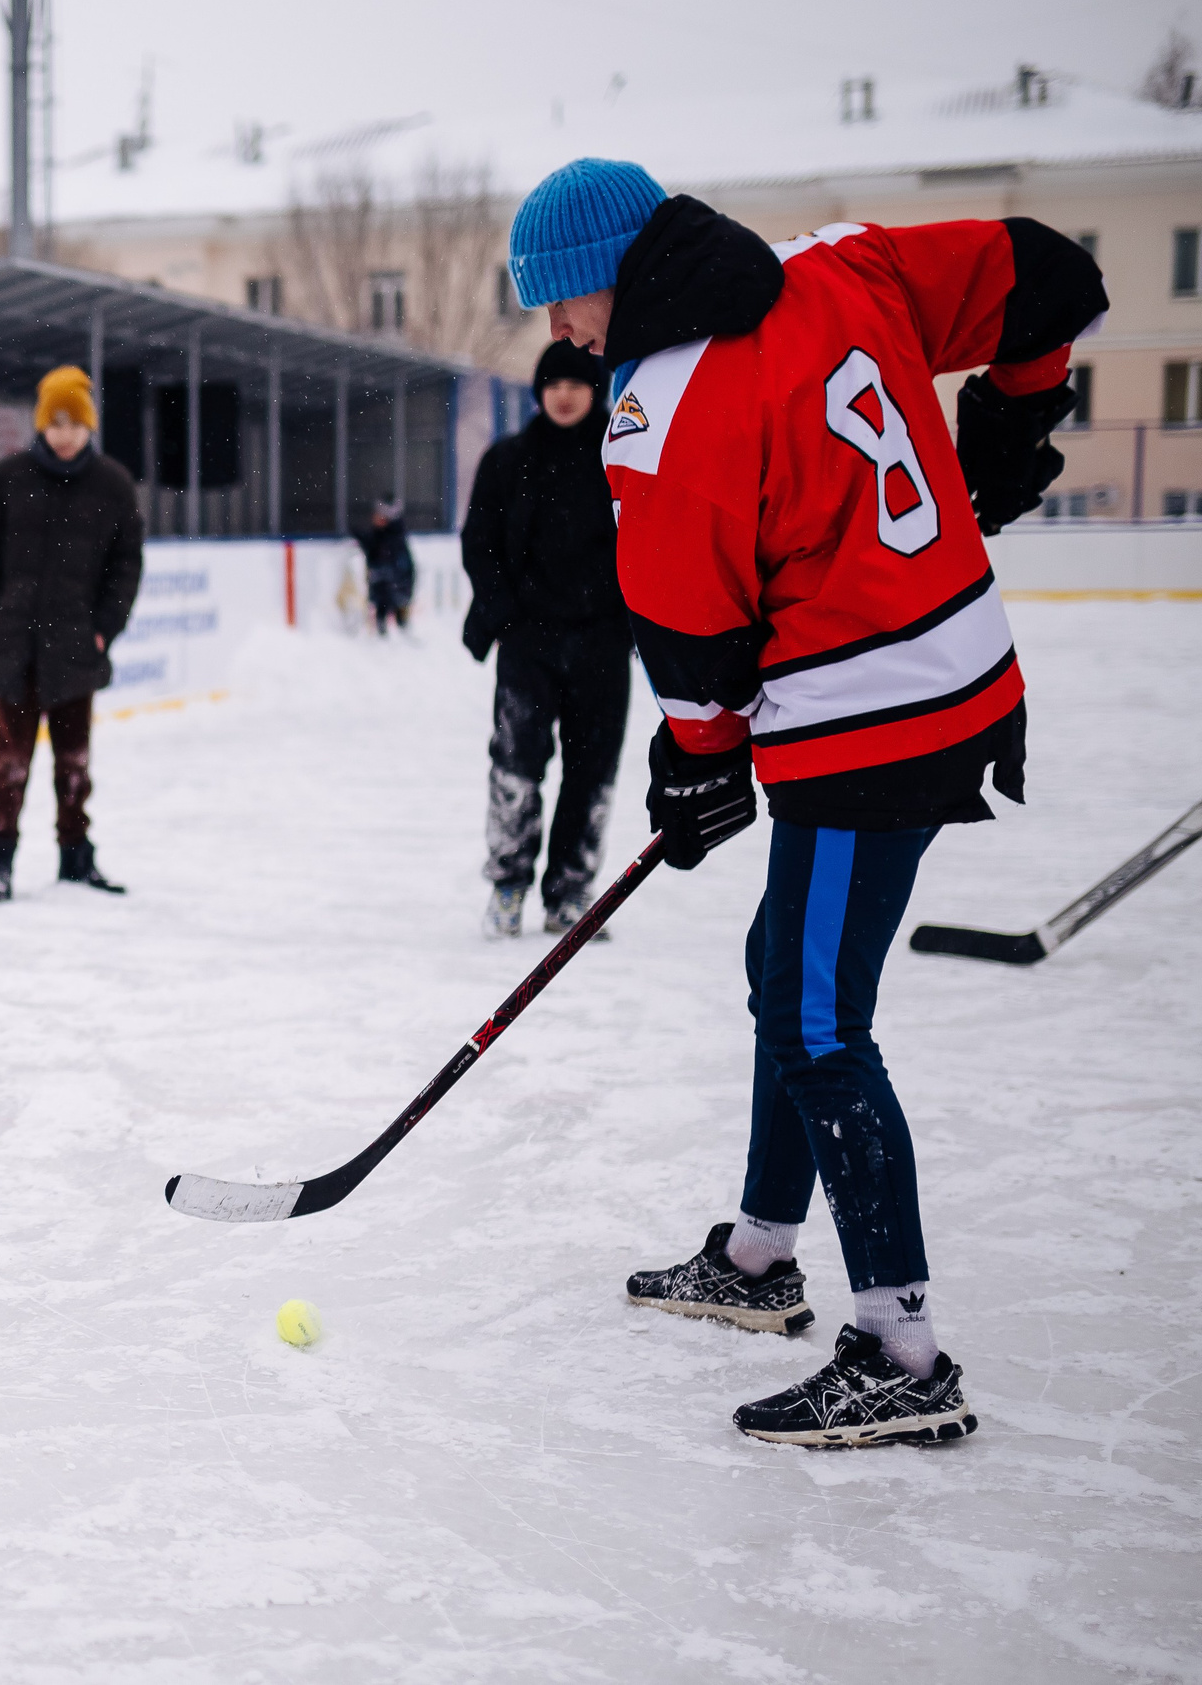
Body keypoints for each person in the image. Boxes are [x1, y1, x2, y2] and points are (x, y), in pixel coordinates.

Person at [505, 158, 1103, 1445]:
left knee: (819, 1017)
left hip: (866, 721)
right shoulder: (845, 262)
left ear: (616, 271)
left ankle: (899, 1347)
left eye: (562, 301)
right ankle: (761, 1253)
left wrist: (698, 762)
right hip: (952, 674)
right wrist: (1013, 416)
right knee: (785, 966)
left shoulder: (656, 404)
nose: (558, 331)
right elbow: (1052, 277)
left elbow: (687, 631)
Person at [460, 339, 630, 939]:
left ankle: (570, 894)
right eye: (553, 384)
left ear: (595, 391)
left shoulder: (622, 457)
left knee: (593, 773)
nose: (564, 395)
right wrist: (505, 616)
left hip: (604, 645)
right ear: (539, 391)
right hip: (528, 643)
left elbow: (652, 539)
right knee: (515, 765)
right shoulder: (508, 460)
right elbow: (479, 543)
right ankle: (508, 887)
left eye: (576, 384)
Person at [0, 365, 145, 901]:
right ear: (41, 424)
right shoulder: (7, 479)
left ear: (89, 425)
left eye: (75, 423)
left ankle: (75, 856)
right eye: (55, 422)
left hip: (75, 647)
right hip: (14, 645)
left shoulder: (112, 484)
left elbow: (126, 564)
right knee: (10, 764)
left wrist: (104, 629)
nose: (65, 434)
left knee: (74, 762)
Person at [352, 498, 415, 633]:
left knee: (392, 626)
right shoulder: (382, 535)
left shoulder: (393, 541)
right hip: (389, 595)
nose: (374, 517)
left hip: (393, 594)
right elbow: (371, 544)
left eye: (378, 514)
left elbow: (396, 570)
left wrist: (377, 573)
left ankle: (392, 630)